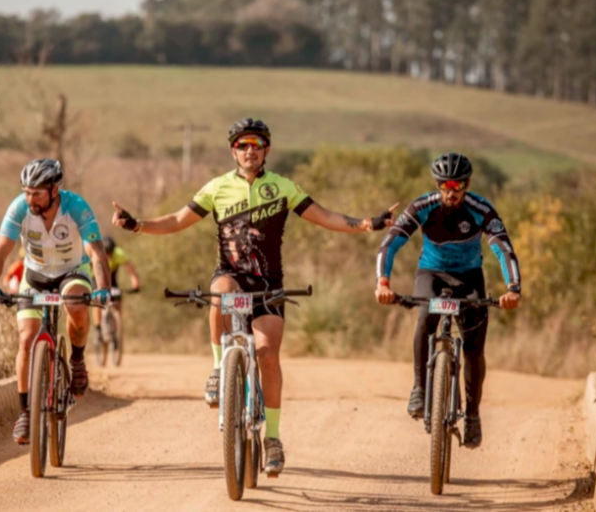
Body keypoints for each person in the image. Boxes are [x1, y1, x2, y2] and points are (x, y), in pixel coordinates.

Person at [111, 118, 396, 475]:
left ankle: (273, 438)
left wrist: (368, 223)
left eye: (256, 145)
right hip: (231, 275)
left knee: (267, 356)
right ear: (234, 151)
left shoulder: (282, 187)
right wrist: (138, 225)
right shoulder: (217, 188)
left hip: (269, 286)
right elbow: (176, 220)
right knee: (219, 294)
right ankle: (218, 369)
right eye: (243, 145)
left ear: (266, 151)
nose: (250, 151)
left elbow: (325, 217)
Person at [374, 152, 522, 449]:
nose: (451, 192)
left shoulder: (481, 209)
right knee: (424, 318)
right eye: (445, 185)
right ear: (437, 184)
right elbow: (390, 242)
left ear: (467, 184)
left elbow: (503, 248)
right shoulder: (423, 206)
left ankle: (473, 416)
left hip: (469, 277)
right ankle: (419, 387)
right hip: (432, 273)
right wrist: (383, 282)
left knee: (474, 349)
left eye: (457, 185)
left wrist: (513, 287)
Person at [0, 159, 112, 445]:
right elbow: (1, 249)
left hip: (72, 271)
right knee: (26, 338)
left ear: (55, 190)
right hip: (36, 276)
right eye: (27, 192)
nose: (30, 199)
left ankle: (77, 360)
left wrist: (103, 288)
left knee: (75, 304)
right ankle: (25, 411)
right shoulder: (19, 208)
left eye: (37, 193)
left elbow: (96, 251)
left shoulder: (76, 207)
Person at [91, 236, 141, 344]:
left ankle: (117, 329)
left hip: (112, 275)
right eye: (106, 253)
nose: (108, 256)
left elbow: (130, 269)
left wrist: (135, 283)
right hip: (96, 275)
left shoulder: (119, 254)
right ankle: (97, 328)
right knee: (97, 299)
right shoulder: (96, 253)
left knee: (117, 299)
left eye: (110, 254)